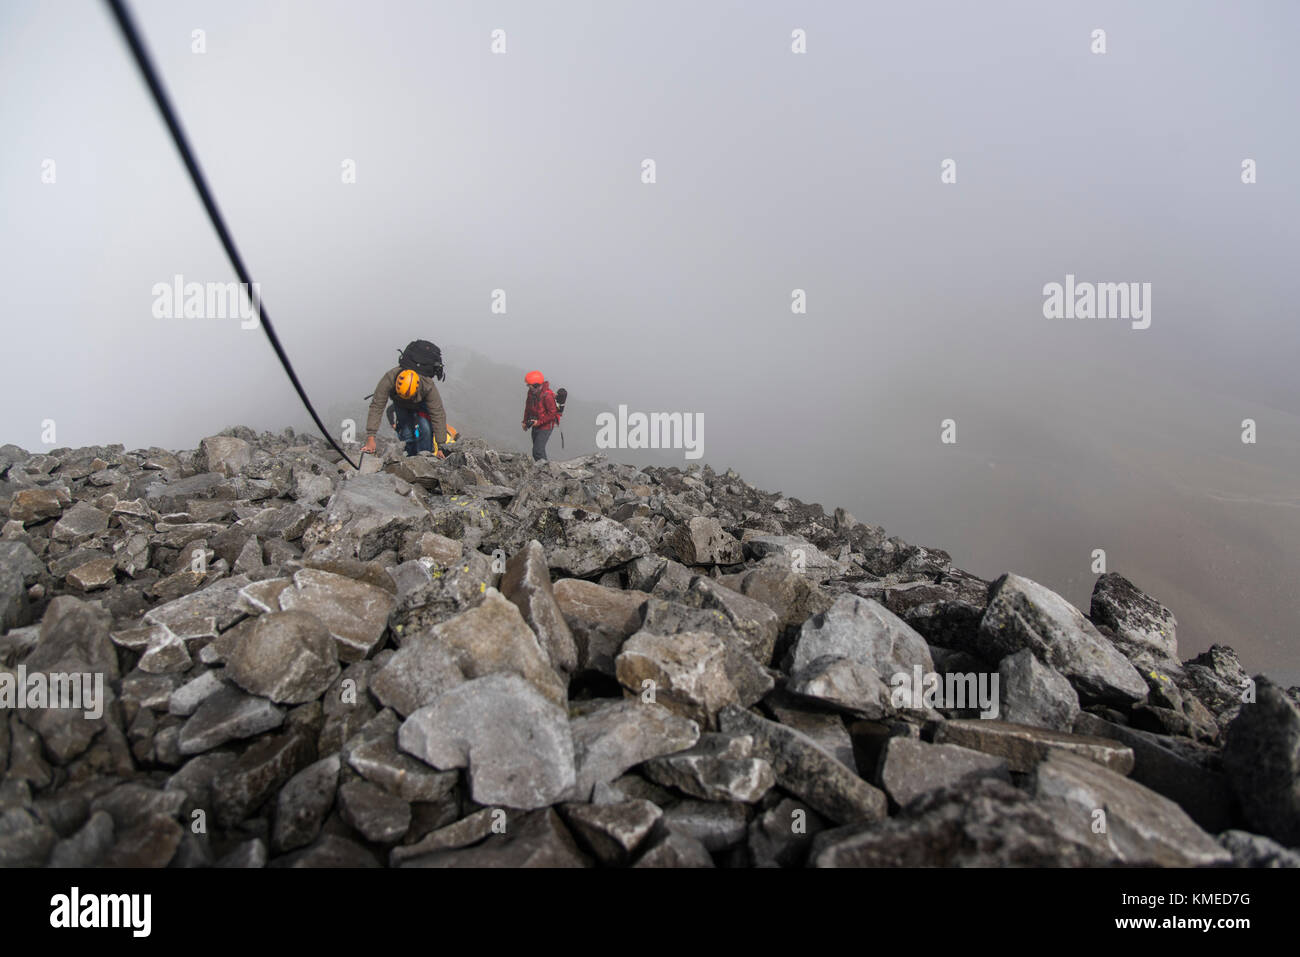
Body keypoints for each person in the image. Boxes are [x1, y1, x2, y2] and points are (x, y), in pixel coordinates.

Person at [361, 365, 446, 458]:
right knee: (406, 432)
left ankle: (425, 458)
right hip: (399, 403)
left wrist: (441, 447)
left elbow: (438, 413)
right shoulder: (389, 378)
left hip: (421, 403)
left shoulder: (427, 386)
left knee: (425, 428)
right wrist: (371, 437)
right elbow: (377, 406)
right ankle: (409, 458)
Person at [521, 370, 561, 461]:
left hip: (545, 426)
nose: (528, 387)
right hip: (535, 424)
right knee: (537, 451)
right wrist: (524, 421)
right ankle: (542, 470)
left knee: (537, 451)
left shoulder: (547, 396)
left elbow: (552, 414)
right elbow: (528, 408)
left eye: (529, 385)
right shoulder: (531, 393)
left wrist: (538, 422)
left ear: (536, 385)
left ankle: (546, 471)